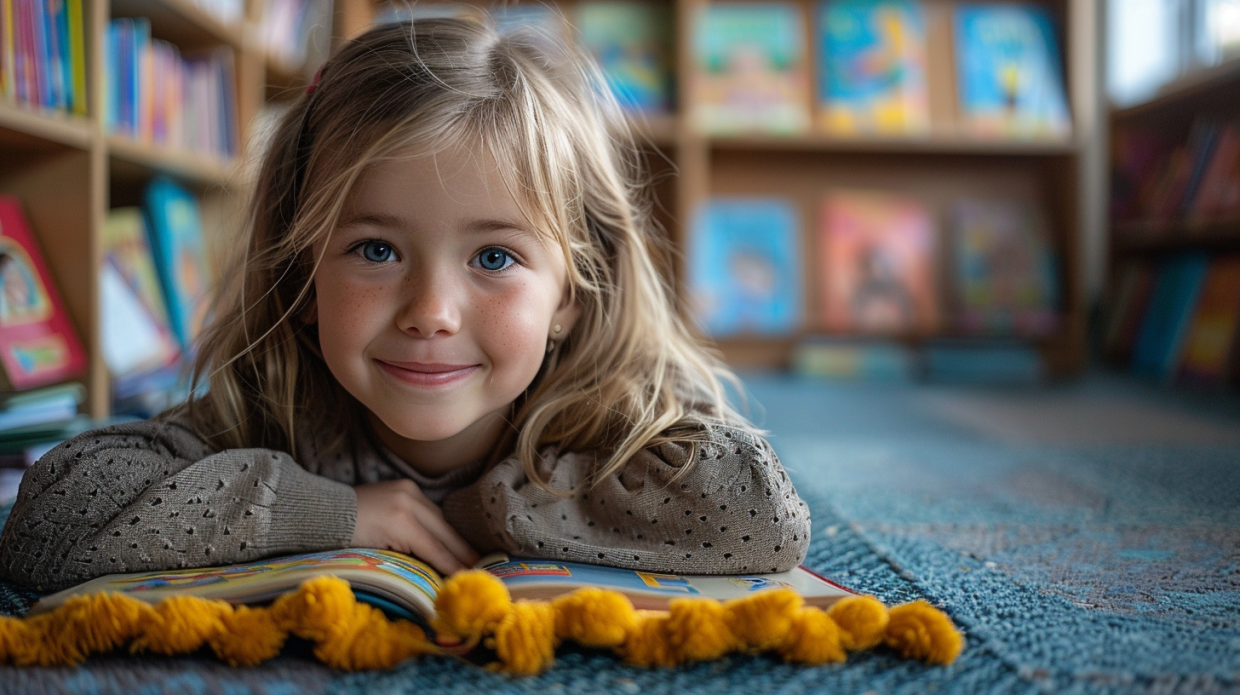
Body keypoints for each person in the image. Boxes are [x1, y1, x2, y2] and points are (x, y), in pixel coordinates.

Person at [0, 18, 810, 593]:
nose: (431, 311)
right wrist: (333, 512)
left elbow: (759, 515)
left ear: (572, 292)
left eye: (494, 257)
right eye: (376, 251)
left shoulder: (614, 410)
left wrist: (478, 509)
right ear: (302, 274)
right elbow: (46, 521)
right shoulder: (285, 407)